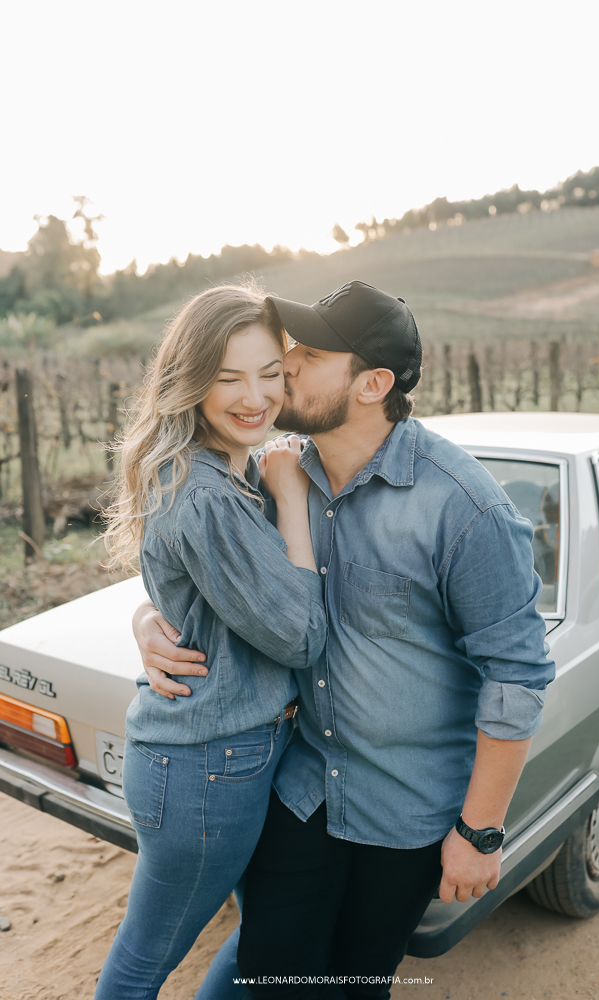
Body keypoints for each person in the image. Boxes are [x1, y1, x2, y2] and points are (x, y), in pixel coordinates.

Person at [134, 280, 555, 999]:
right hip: (298, 789)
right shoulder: (278, 474)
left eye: (308, 353)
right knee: (271, 979)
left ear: (372, 384)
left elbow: (515, 676)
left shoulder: (463, 506)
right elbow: (207, 568)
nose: (284, 366)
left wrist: (480, 830)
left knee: (353, 987)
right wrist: (147, 617)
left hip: (406, 813)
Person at [94, 283, 327, 999]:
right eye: (228, 378)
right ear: (190, 379)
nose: (254, 396)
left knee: (268, 935)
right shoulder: (209, 493)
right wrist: (290, 498)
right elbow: (297, 635)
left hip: (220, 754)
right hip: (206, 767)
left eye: (268, 374)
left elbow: (186, 591)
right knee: (147, 957)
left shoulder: (217, 464)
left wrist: (144, 616)